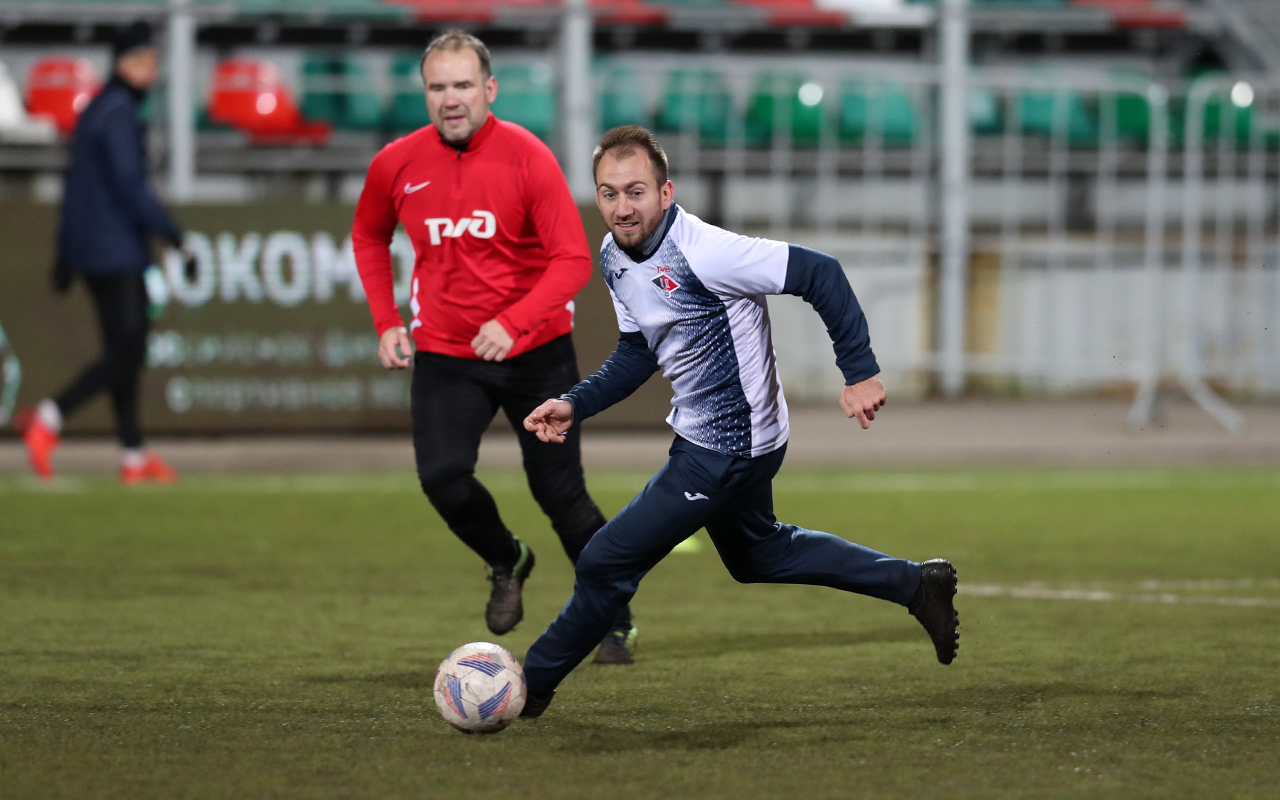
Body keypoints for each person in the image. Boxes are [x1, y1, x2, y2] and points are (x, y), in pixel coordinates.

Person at [518, 126, 961, 718]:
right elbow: (638, 351)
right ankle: (915, 585)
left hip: (728, 446)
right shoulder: (614, 255)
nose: (622, 208)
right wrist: (577, 403)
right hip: (719, 440)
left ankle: (523, 690)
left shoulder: (707, 252)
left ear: (666, 192)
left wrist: (859, 372)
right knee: (759, 556)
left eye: (636, 192)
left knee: (605, 561)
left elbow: (820, 272)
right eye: (609, 193)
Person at [351, 31, 636, 662]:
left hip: (535, 352)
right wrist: (386, 320)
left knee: (561, 497)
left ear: (490, 89)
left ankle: (615, 617)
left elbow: (572, 259)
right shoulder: (395, 163)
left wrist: (514, 321)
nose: (450, 98)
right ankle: (508, 558)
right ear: (425, 93)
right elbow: (369, 235)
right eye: (437, 87)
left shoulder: (528, 157)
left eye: (462, 85)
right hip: (447, 353)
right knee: (442, 478)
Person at [23, 21, 181, 485]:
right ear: (126, 62)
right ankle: (48, 418)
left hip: (96, 250)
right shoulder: (118, 113)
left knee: (123, 352)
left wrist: (65, 252)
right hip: (117, 251)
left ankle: (133, 456)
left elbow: (74, 187)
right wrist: (173, 234)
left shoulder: (95, 109)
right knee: (127, 351)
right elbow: (131, 186)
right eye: (146, 61)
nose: (153, 71)